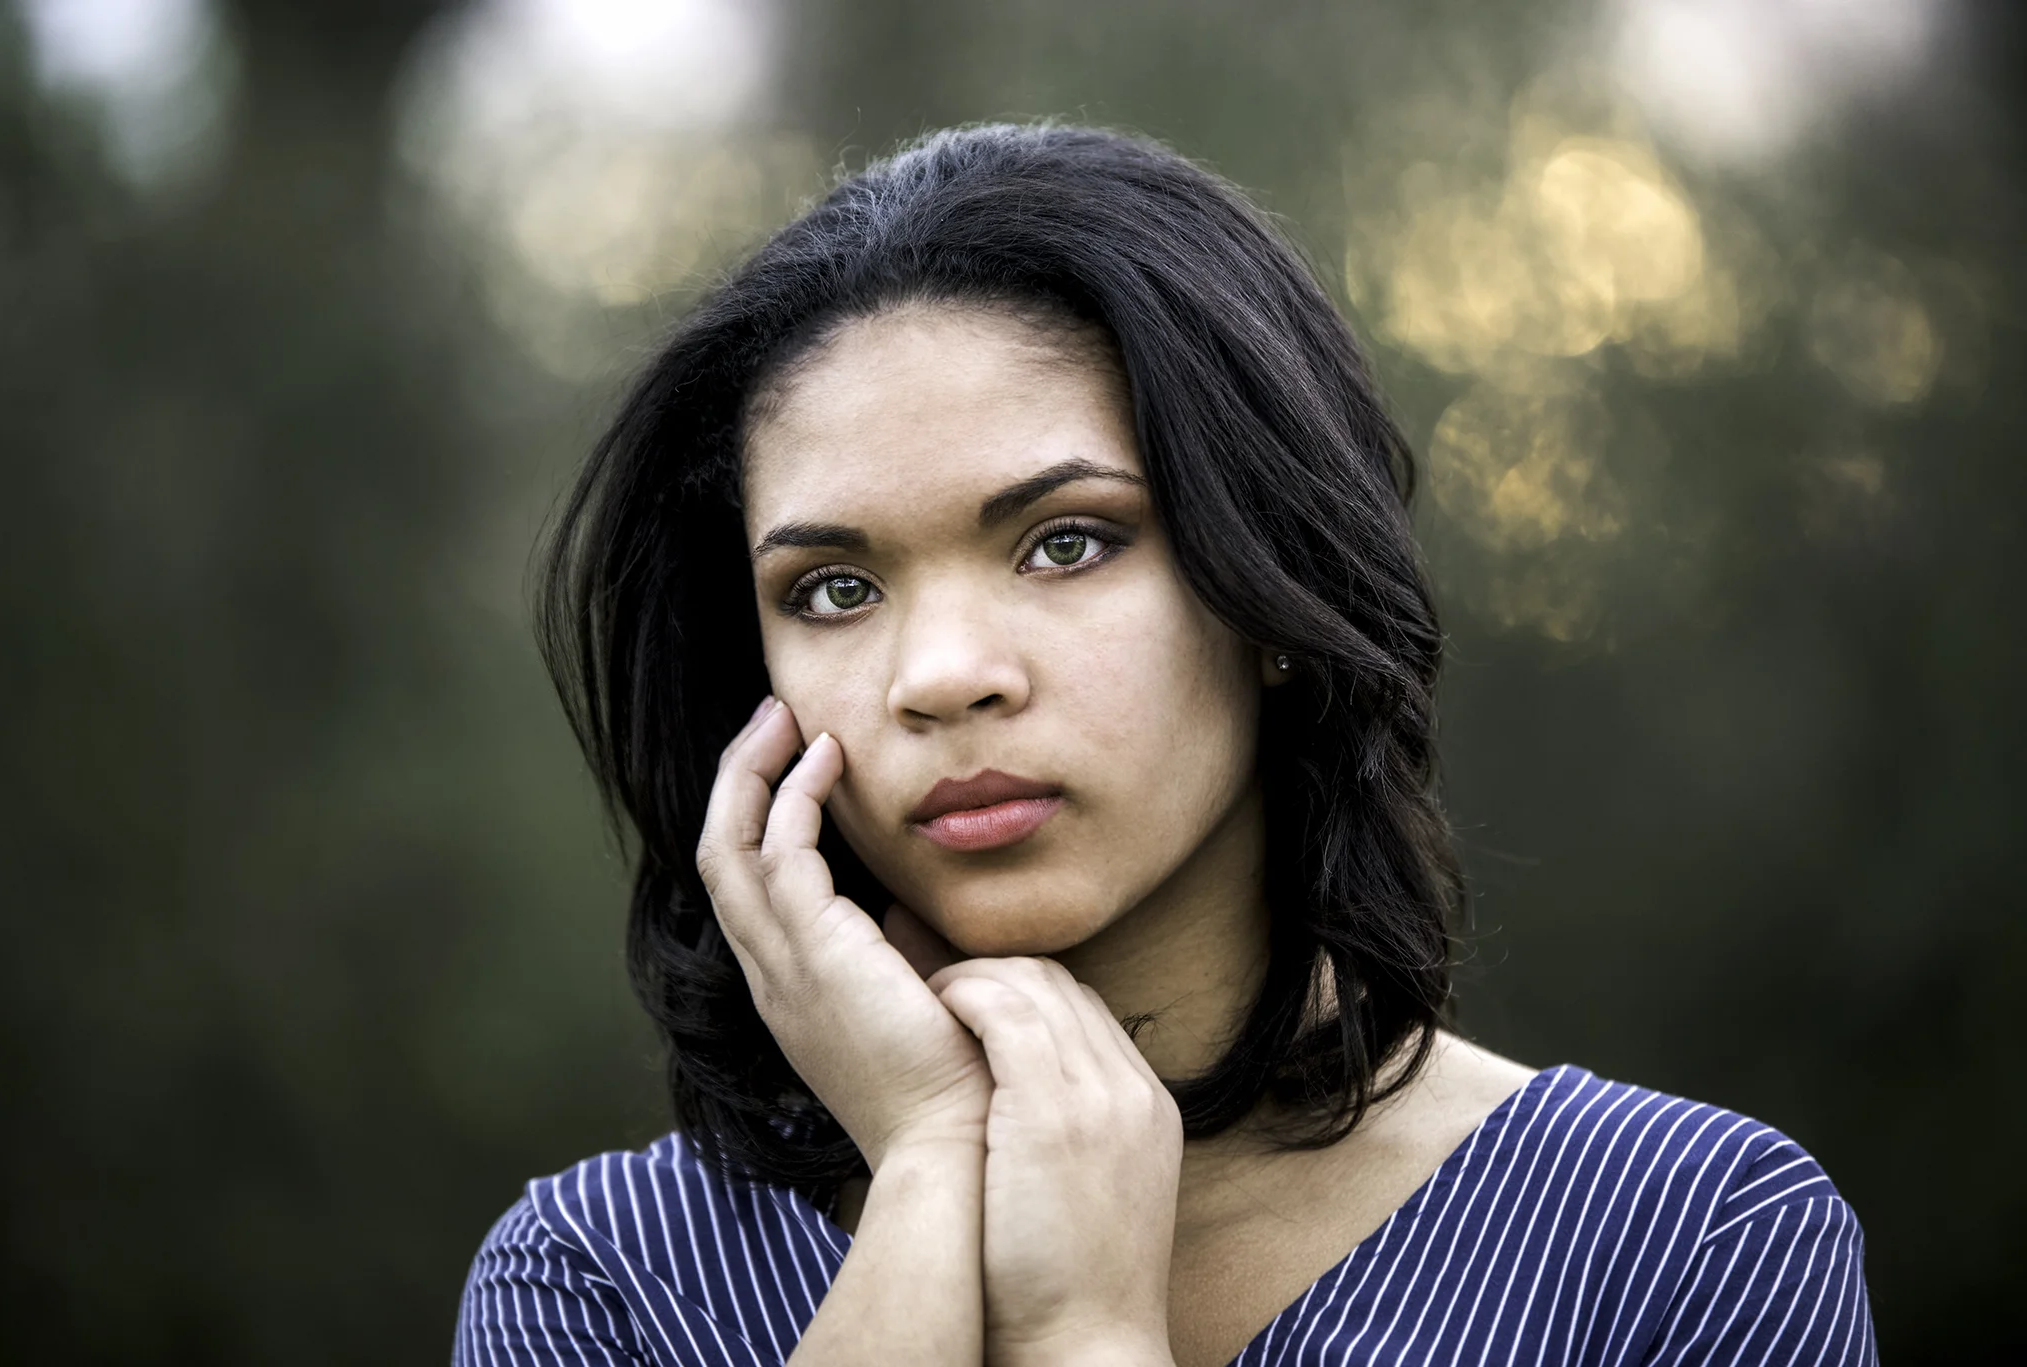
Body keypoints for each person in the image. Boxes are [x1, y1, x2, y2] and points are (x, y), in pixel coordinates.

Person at [452, 123, 1875, 1366]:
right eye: (833, 589)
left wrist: (1089, 1336)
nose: (940, 677)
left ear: (1274, 585)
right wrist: (930, 1168)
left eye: (1067, 543)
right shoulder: (607, 1285)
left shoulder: (1683, 1245)